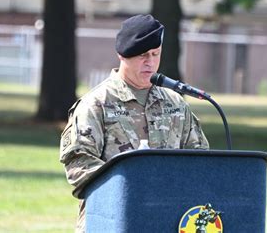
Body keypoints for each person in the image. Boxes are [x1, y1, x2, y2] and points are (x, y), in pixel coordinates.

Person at [60, 14, 209, 232]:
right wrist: (131, 186)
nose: (150, 62)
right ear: (122, 55)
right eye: (142, 56)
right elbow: (77, 163)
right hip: (111, 221)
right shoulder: (97, 104)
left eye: (155, 54)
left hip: (168, 220)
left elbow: (200, 160)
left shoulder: (175, 103)